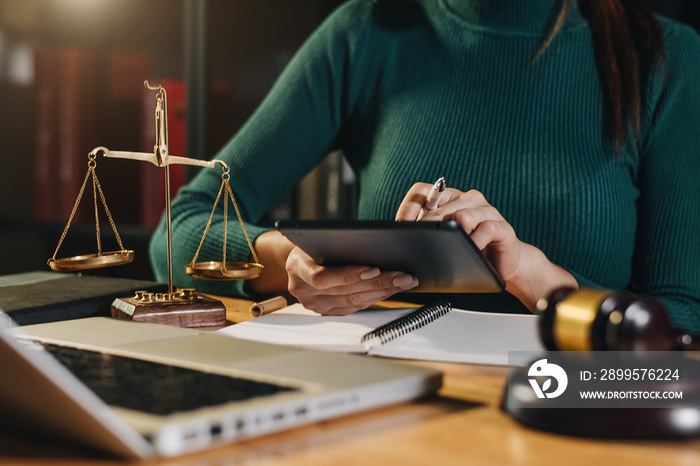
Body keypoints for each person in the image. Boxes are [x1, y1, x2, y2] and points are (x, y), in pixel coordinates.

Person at [149, 0, 700, 333]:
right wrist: (289, 261)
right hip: (381, 397)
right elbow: (179, 230)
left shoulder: (666, 58)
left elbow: (687, 316)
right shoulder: (366, 32)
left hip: (565, 407)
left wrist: (540, 282)